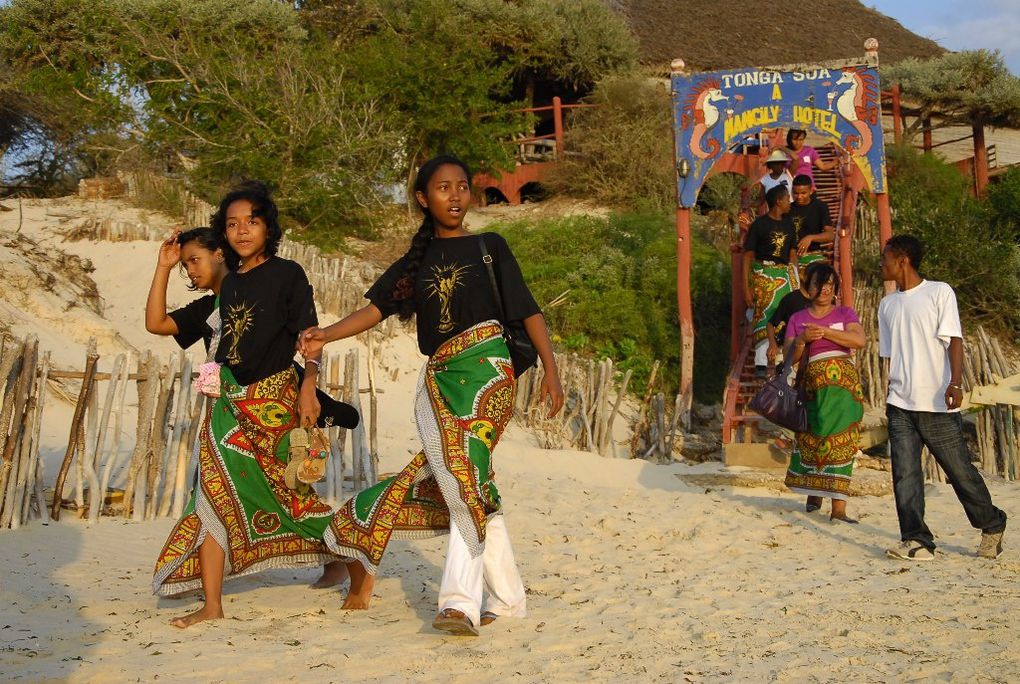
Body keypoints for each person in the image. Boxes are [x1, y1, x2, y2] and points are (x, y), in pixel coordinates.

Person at [299, 154, 565, 636]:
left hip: (489, 373)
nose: (456, 196)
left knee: (463, 478)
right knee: (473, 482)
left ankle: (460, 603)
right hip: (441, 378)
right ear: (423, 198)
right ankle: (507, 599)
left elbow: (529, 310)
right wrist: (327, 334)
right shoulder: (416, 262)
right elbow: (376, 309)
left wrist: (551, 369)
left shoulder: (490, 246)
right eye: (443, 188)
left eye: (462, 186)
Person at [150, 182, 357, 628]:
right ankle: (213, 604)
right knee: (212, 495)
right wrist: (165, 267)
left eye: (252, 221)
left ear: (268, 227)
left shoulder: (288, 274)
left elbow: (309, 336)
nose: (242, 230)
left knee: (292, 493)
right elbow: (159, 324)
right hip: (226, 410)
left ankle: (350, 559)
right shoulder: (226, 288)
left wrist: (309, 387)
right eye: (232, 224)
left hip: (275, 402)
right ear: (223, 234)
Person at [879, 235, 1007, 561]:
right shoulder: (887, 304)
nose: (883, 264)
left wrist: (956, 382)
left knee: (960, 471)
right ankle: (916, 540)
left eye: (887, 258)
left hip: (935, 402)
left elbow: (954, 341)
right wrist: (889, 391)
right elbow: (890, 356)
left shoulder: (939, 292)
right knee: (904, 475)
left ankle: (991, 524)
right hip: (900, 405)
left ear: (903, 260)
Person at [783, 265, 865, 522]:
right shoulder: (798, 319)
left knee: (844, 441)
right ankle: (813, 493)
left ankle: (838, 508)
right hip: (812, 387)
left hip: (844, 390)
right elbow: (789, 358)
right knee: (812, 436)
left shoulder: (845, 313)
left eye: (830, 283)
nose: (825, 288)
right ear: (809, 288)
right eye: (819, 283)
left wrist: (827, 332)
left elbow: (858, 341)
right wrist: (801, 340)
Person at [145, 227, 228, 357]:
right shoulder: (205, 308)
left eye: (194, 260)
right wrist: (164, 266)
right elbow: (156, 324)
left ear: (220, 254)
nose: (190, 271)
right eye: (185, 265)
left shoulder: (252, 292)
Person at [743, 184, 797, 375]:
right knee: (763, 310)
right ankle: (760, 361)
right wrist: (746, 287)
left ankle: (783, 358)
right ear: (778, 202)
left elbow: (792, 253)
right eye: (786, 199)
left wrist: (795, 278)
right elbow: (748, 256)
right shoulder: (759, 225)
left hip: (784, 273)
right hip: (763, 271)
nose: (790, 202)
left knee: (786, 312)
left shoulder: (789, 224)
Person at [765, 261, 822, 371]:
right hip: (790, 350)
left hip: (813, 354)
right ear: (805, 278)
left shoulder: (821, 302)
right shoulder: (791, 299)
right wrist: (772, 344)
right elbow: (771, 323)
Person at [788, 174, 835, 281]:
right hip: (792, 256)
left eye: (803, 193)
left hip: (814, 255)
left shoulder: (820, 207)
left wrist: (810, 238)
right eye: (795, 193)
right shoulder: (788, 209)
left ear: (811, 191)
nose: (799, 197)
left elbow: (830, 235)